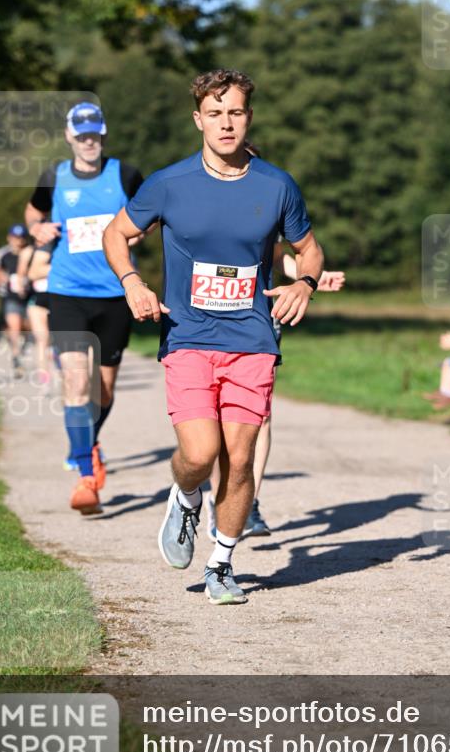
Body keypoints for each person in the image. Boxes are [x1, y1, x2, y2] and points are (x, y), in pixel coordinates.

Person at [103, 68, 324, 604]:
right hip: (188, 335)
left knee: (241, 458)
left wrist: (307, 284)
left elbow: (309, 249)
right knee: (200, 454)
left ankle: (221, 563)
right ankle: (183, 495)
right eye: (216, 113)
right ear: (198, 119)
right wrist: (133, 283)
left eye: (237, 112)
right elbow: (116, 234)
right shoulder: (169, 184)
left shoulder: (277, 185)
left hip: (251, 337)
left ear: (249, 117)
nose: (227, 123)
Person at [24, 102, 143, 514]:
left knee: (103, 389)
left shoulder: (125, 175)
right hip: (67, 291)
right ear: (69, 137)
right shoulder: (53, 177)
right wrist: (37, 228)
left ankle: (87, 442)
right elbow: (33, 213)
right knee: (76, 382)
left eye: (95, 134)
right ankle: (85, 475)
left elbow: (149, 216)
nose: (89, 141)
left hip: (114, 293)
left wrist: (139, 232)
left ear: (103, 135)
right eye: (82, 134)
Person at [206, 244, 346, 540]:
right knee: (218, 412)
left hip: (261, 317)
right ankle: (219, 500)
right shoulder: (203, 199)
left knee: (260, 414)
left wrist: (311, 278)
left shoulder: (271, 198)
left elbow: (277, 252)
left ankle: (249, 502)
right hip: (212, 314)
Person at [0, 224, 29, 378]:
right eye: (15, 238)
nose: (18, 241)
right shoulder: (3, 254)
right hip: (9, 296)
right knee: (14, 326)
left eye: (21, 237)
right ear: (9, 238)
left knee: (26, 327)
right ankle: (16, 359)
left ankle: (20, 342)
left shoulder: (30, 252)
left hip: (29, 297)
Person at [16, 240, 55, 392]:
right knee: (42, 340)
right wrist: (21, 288)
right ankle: (45, 380)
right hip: (39, 298)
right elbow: (21, 274)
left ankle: (57, 378)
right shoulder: (28, 252)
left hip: (57, 298)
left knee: (51, 341)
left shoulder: (61, 247)